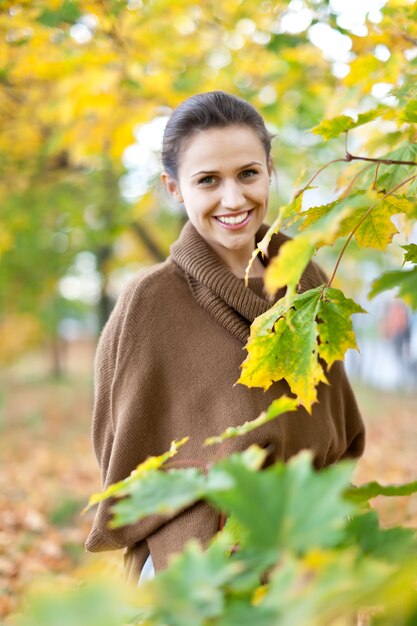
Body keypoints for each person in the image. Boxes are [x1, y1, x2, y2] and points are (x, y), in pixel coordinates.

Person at [85, 91, 366, 584]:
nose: (233, 199)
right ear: (174, 188)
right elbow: (122, 460)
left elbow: (338, 431)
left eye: (248, 174)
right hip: (200, 567)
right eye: (208, 180)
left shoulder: (308, 281)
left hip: (312, 558)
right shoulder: (148, 303)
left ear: (269, 170)